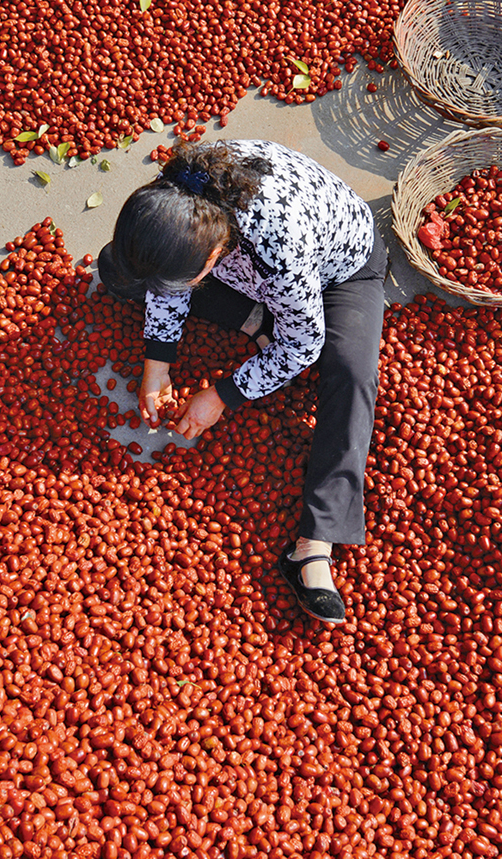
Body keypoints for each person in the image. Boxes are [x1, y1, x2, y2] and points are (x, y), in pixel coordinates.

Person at [98, 139, 388, 624]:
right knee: (120, 270)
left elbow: (304, 343)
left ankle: (313, 545)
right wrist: (158, 365)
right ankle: (257, 321)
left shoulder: (280, 245)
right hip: (251, 270)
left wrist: (222, 395)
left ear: (212, 253)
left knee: (349, 372)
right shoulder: (175, 195)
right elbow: (162, 280)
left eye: (187, 280)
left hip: (342, 272)